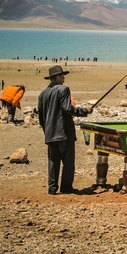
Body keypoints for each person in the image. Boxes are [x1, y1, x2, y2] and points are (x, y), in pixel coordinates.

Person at [38, 65, 92, 195]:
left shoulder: (42, 94)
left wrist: (47, 131)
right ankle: (66, 188)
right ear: (56, 77)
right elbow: (68, 108)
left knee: (53, 162)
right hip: (64, 133)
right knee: (68, 163)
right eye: (62, 76)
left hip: (50, 134)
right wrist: (83, 111)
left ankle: (52, 189)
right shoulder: (64, 90)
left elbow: (41, 117)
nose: (63, 78)